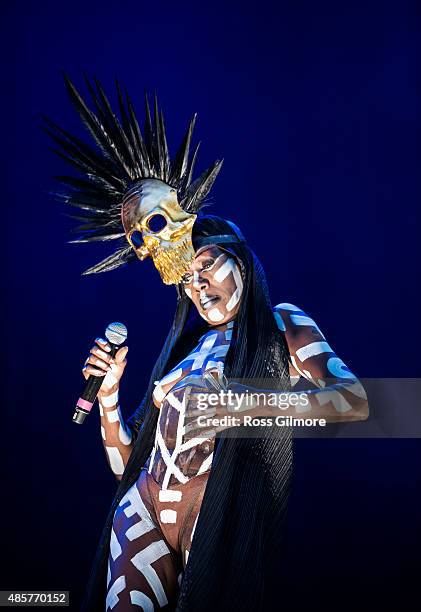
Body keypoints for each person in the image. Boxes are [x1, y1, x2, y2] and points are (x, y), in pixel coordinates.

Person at [46, 78, 368, 611]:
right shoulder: (183, 352)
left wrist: (235, 404)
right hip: (143, 507)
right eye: (187, 278)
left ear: (238, 260)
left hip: (210, 512)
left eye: (207, 266)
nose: (198, 285)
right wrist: (108, 399)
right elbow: (130, 462)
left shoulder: (280, 324)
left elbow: (354, 402)